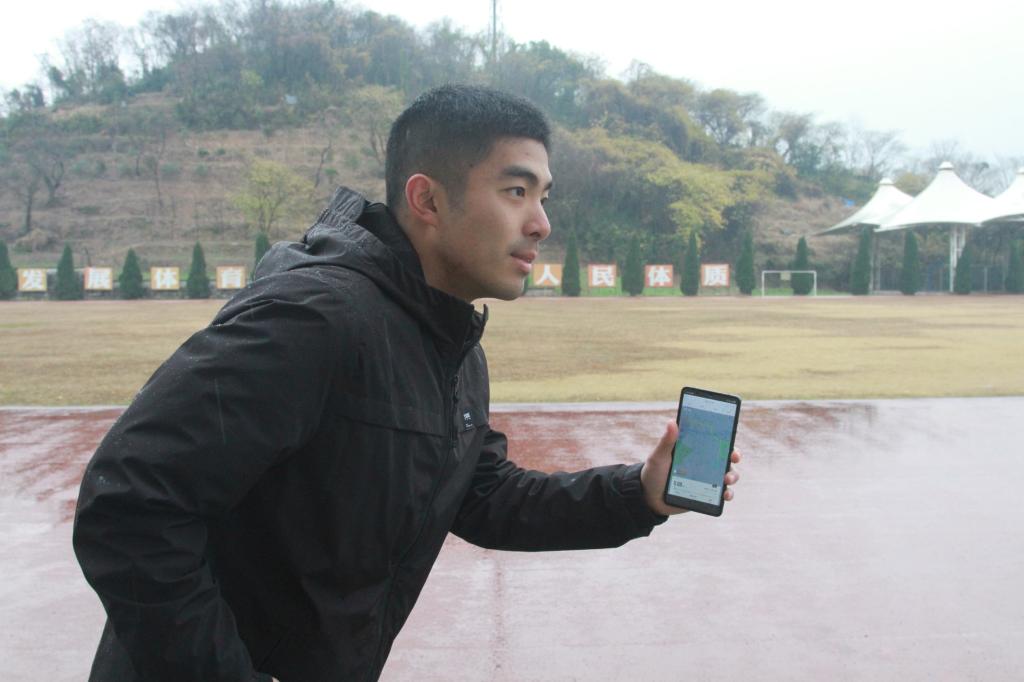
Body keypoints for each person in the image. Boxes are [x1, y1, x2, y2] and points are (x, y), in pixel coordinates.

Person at [73, 84, 740, 682]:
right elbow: (130, 500)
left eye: (543, 196)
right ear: (427, 200)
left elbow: (482, 494)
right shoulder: (316, 317)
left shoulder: (450, 345)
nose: (541, 223)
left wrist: (640, 493)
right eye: (516, 192)